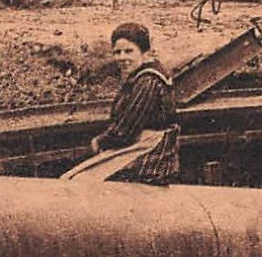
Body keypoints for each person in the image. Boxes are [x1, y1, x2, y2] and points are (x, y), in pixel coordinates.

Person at [61, 22, 180, 185]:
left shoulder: (148, 81)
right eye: (117, 52)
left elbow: (126, 131)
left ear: (145, 52)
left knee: (77, 181)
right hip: (143, 145)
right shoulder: (141, 74)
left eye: (129, 51)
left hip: (152, 154)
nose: (122, 57)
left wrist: (99, 142)